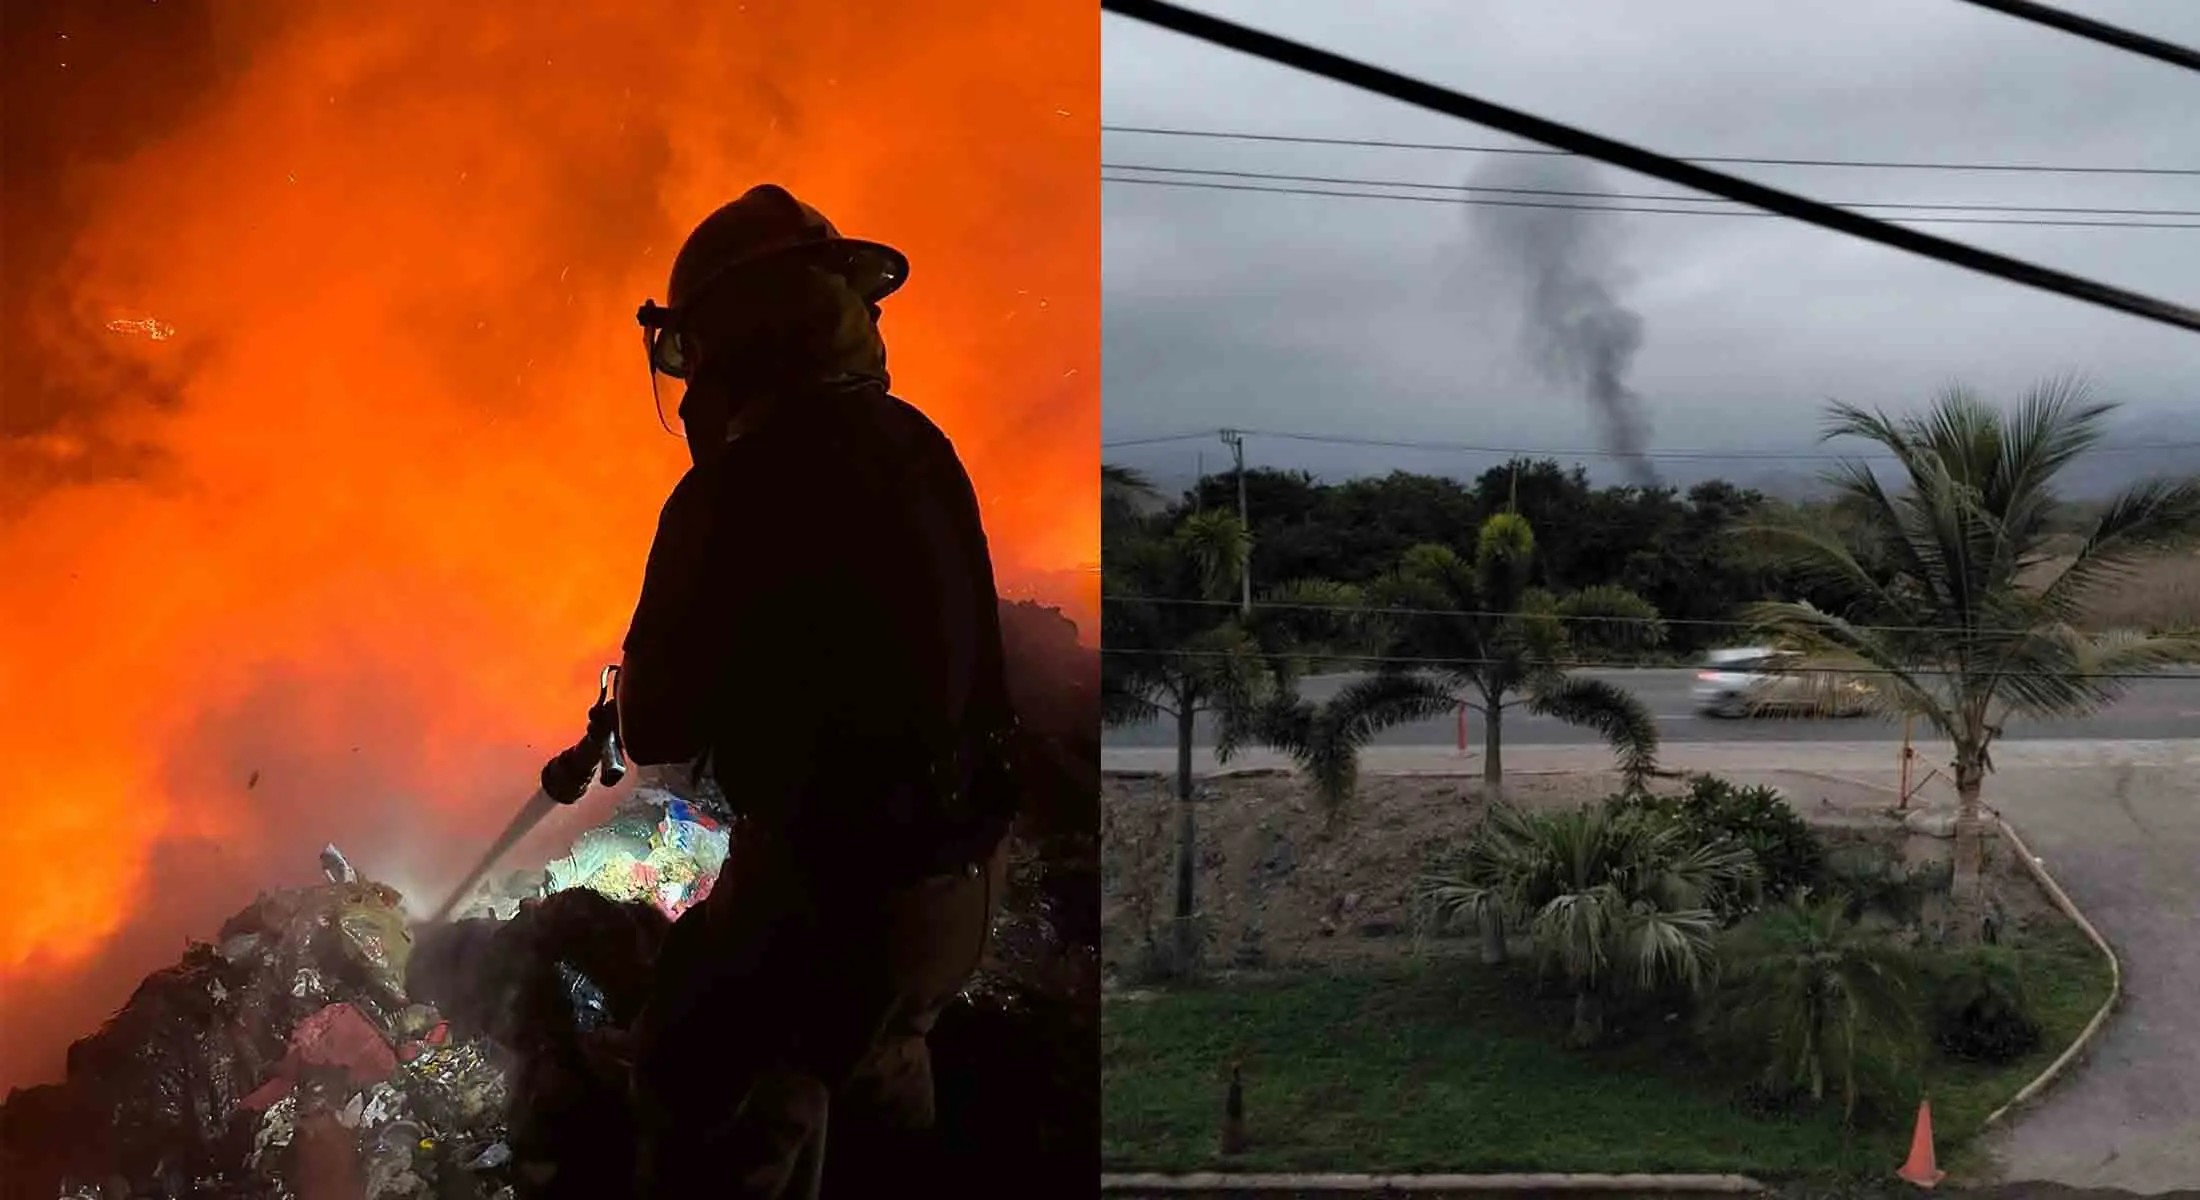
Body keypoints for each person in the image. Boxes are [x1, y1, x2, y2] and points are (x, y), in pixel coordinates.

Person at [604, 184, 1019, 1198]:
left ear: (727, 342)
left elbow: (657, 724)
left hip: (834, 900)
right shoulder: (916, 444)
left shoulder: (729, 491)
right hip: (960, 887)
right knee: (862, 1091)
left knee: (689, 1076)